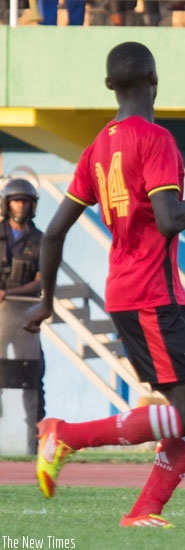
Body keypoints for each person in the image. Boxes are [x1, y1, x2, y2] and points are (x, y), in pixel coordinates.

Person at [22, 41, 185, 528]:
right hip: (150, 297)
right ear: (155, 81)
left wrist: (47, 302)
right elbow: (171, 219)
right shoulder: (154, 140)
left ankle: (144, 511)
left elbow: (52, 232)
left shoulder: (98, 146)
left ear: (111, 86)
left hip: (149, 294)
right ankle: (67, 434)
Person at [0, 176, 44, 455]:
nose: (21, 206)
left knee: (33, 376)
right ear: (7, 204)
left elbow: (41, 280)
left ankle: (34, 442)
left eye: (25, 201)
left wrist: (10, 291)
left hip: (26, 314)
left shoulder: (40, 239)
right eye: (16, 200)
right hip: (1, 316)